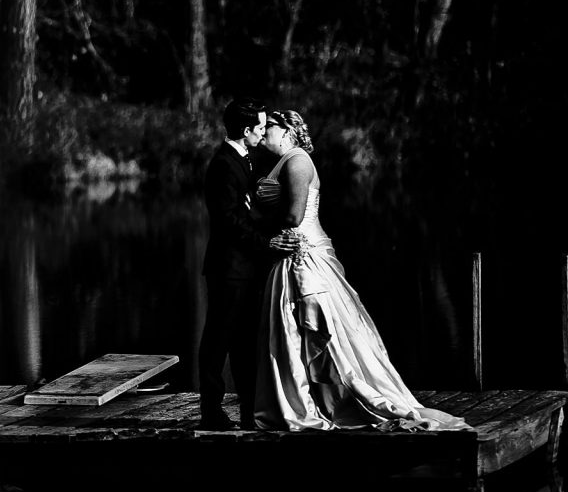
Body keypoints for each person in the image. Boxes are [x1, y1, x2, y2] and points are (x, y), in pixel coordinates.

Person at [251, 110, 469, 431]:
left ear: (287, 131)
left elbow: (295, 216)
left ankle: (325, 402)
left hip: (302, 254)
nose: (264, 131)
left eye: (269, 125)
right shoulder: (284, 162)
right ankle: (299, 398)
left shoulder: (297, 161)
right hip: (292, 252)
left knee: (315, 329)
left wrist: (256, 224)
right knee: (291, 332)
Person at [199, 98, 298, 431]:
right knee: (218, 341)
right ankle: (211, 413)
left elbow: (249, 212)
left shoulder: (248, 160)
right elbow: (228, 220)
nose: (263, 132)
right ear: (246, 131)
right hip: (228, 269)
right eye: (259, 127)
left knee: (244, 342)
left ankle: (249, 411)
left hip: (247, 268)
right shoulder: (224, 165)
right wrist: (266, 242)